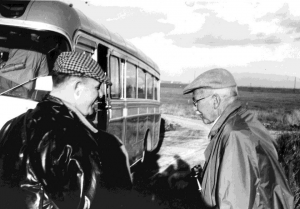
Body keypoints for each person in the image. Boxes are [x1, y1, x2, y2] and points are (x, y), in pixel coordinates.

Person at [0, 51, 132, 208]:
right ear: (78, 88)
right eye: (97, 87)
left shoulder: (11, 125)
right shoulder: (83, 141)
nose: (101, 94)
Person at [183, 68, 294, 209]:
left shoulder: (236, 135)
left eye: (196, 101)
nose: (195, 109)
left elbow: (234, 203)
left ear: (215, 101)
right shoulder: (242, 123)